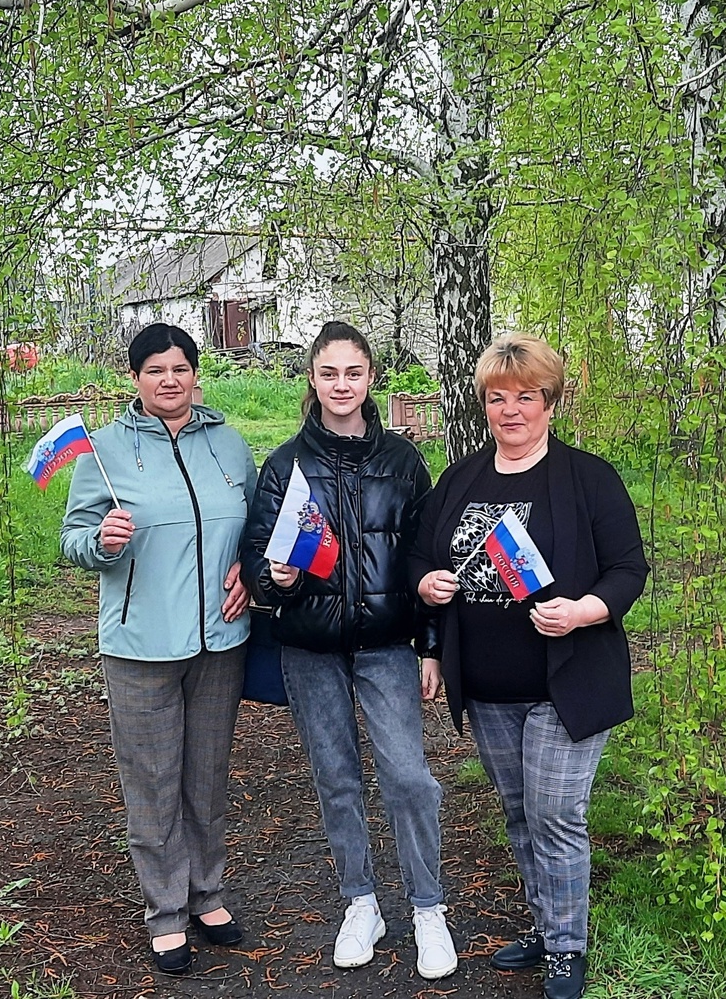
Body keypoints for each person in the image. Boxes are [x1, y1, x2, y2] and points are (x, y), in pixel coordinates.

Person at [410, 332, 648, 999]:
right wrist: (429, 596)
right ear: (483, 403)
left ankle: (568, 946)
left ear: (550, 400)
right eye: (496, 397)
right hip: (486, 685)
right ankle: (547, 924)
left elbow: (629, 568)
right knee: (519, 812)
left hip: (566, 679)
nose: (510, 410)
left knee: (556, 813)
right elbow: (420, 558)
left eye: (525, 396)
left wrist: (584, 610)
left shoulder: (588, 477)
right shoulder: (460, 478)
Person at [239, 321, 457, 980]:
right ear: (313, 378)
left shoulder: (404, 462)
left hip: (387, 644)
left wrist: (431, 645)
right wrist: (272, 578)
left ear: (369, 378)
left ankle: (427, 907)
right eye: (329, 372)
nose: (341, 385)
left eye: (353, 372)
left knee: (409, 777)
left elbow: (428, 559)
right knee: (337, 778)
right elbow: (256, 559)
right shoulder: (284, 465)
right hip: (309, 646)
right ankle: (361, 901)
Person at [60, 323, 258, 975]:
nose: (169, 380)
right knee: (152, 784)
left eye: (179, 368)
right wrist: (104, 542)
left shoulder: (229, 444)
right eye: (154, 370)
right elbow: (74, 540)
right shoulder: (106, 451)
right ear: (135, 379)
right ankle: (166, 911)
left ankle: (207, 893)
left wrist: (250, 579)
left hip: (218, 641)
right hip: (140, 644)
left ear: (196, 374)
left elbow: (256, 531)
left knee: (206, 777)